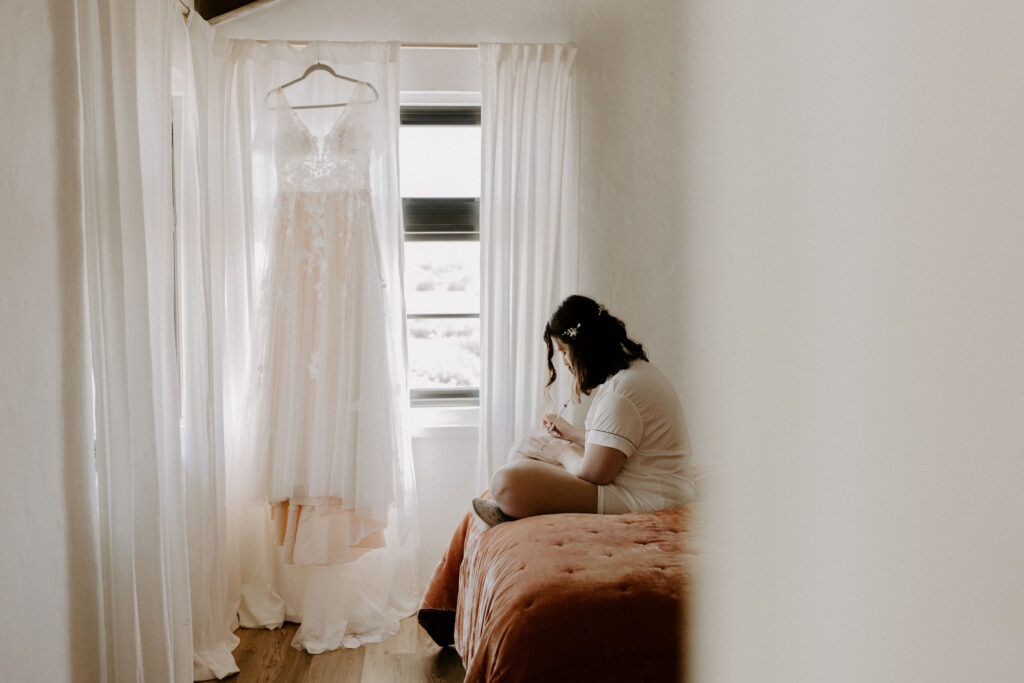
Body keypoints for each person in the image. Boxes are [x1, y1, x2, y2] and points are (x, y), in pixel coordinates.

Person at [472, 295, 696, 527]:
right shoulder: (631, 375)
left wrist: (559, 452)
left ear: (584, 347)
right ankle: (517, 505)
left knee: (506, 482)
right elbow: (614, 447)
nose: (565, 363)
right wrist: (569, 433)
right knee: (525, 449)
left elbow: (596, 473)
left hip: (648, 497)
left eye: (564, 352)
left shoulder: (620, 394)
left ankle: (515, 505)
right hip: (640, 483)